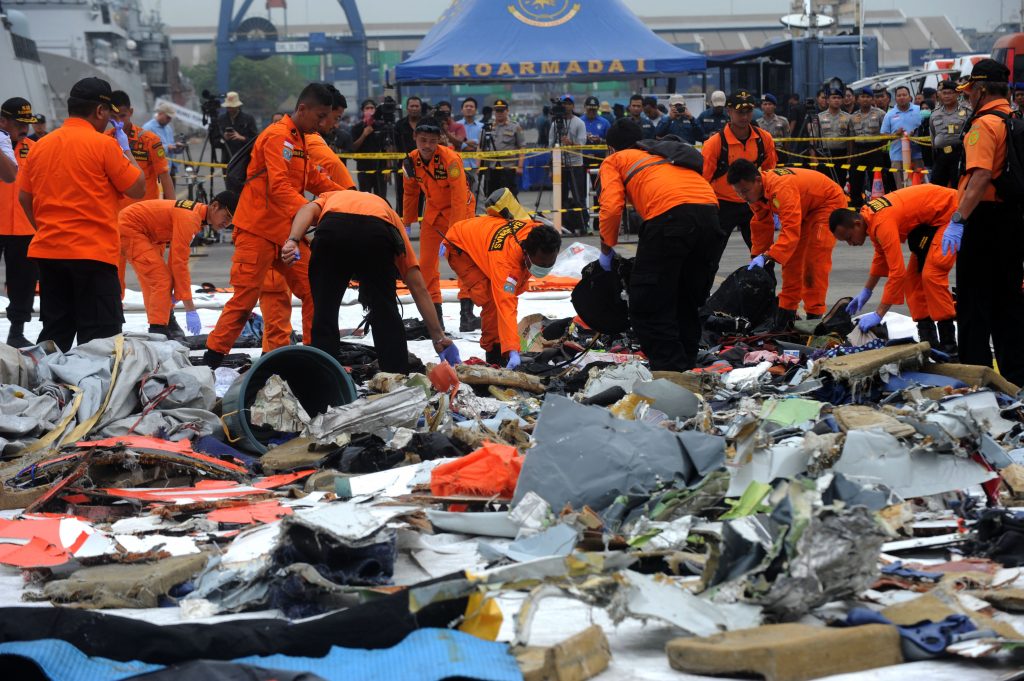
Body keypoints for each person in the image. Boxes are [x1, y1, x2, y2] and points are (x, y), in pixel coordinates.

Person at [202, 83, 348, 368]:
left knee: (315, 291)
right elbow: (279, 187)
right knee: (244, 301)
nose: (322, 123)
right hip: (257, 232)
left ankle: (317, 356)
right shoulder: (277, 136)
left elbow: (312, 179)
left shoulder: (300, 139)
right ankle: (211, 360)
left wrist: (349, 197)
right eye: (319, 116)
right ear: (302, 109)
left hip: (286, 234)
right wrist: (315, 213)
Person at [17, 77, 145, 351]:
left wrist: (45, 229)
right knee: (101, 341)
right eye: (108, 114)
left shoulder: (41, 146)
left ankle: (47, 379)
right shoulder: (104, 145)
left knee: (55, 335)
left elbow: (24, 197)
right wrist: (125, 149)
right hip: (93, 255)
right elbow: (138, 187)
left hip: (50, 253)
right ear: (100, 110)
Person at [283, 189, 458, 371]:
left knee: (324, 310)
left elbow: (306, 210)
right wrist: (438, 337)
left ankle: (324, 375)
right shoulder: (389, 215)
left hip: (332, 230)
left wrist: (293, 240)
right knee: (384, 309)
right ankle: (395, 373)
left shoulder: (332, 197)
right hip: (376, 232)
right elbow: (418, 286)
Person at [597, 119, 719, 371]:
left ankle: (669, 370)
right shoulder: (663, 152)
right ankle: (687, 364)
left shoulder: (615, 160)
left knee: (647, 302)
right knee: (686, 297)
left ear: (611, 147)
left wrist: (606, 249)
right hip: (710, 216)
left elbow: (611, 208)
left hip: (670, 218)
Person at [941, 59, 1024, 386]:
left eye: (970, 91)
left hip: (983, 220)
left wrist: (958, 218)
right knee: (1009, 301)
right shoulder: (1014, 118)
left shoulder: (984, 124)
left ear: (982, 90)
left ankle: (974, 377)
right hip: (1012, 219)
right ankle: (1015, 379)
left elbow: (980, 176)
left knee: (973, 303)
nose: (967, 96)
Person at [830, 184, 958, 354]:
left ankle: (949, 346)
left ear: (857, 224)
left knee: (931, 275)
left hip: (951, 214)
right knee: (912, 282)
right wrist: (867, 290)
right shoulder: (869, 216)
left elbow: (897, 273)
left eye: (849, 237)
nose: (850, 243)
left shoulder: (882, 222)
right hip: (932, 223)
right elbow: (881, 256)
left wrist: (879, 314)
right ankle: (930, 343)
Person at [445, 190, 561, 368]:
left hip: (482, 234)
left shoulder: (537, 233)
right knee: (490, 299)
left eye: (550, 263)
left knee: (498, 298)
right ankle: (493, 352)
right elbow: (506, 304)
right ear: (526, 253)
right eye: (541, 263)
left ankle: (501, 347)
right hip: (460, 245)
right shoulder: (506, 264)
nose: (545, 267)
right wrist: (512, 349)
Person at [727, 161, 846, 330]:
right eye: (738, 193)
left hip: (827, 204)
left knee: (814, 261)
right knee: (791, 263)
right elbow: (761, 224)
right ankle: (786, 312)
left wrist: (768, 256)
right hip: (803, 208)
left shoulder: (781, 188)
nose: (743, 197)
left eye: (745, 191)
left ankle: (814, 316)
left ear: (758, 180)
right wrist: (758, 256)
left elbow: (790, 231)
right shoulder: (756, 194)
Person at [118, 192, 238, 339]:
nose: (227, 223)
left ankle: (164, 321)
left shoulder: (196, 215)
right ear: (214, 206)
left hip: (146, 231)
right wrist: (190, 308)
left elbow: (176, 262)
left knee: (156, 280)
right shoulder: (190, 218)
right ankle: (158, 330)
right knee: (161, 279)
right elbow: (179, 262)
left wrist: (176, 294)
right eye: (226, 216)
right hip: (131, 227)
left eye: (231, 220)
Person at [402, 118, 478, 332]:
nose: (427, 145)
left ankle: (466, 315)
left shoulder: (450, 160)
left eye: (432, 141)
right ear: (415, 138)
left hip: (460, 211)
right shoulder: (410, 161)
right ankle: (435, 318)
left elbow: (459, 196)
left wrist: (454, 234)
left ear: (440, 140)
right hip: (433, 214)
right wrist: (407, 222)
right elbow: (410, 192)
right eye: (423, 140)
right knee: (426, 265)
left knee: (463, 261)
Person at [700, 89, 777, 259]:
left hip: (754, 204)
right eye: (740, 112)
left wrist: (768, 203)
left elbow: (770, 174)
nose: (745, 116)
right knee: (709, 257)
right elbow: (703, 180)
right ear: (729, 111)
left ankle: (764, 277)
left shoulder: (764, 139)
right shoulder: (714, 144)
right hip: (722, 205)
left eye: (748, 111)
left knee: (764, 255)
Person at [0, 97, 39, 347]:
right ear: (3, 121)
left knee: (23, 283)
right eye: (19, 124)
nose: (24, 129)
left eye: (27, 124)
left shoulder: (34, 149)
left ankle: (17, 331)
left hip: (25, 226)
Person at [106, 90, 173, 206]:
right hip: (116, 211)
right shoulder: (104, 139)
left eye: (122, 116)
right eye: (113, 117)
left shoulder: (150, 140)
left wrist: (173, 209)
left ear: (130, 112)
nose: (118, 122)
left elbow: (164, 175)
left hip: (145, 210)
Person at [547, 95, 589, 235]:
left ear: (573, 106)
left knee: (579, 196)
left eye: (568, 103)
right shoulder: (555, 124)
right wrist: (552, 166)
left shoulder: (579, 123)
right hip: (560, 164)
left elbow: (582, 144)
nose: (565, 106)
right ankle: (563, 225)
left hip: (576, 165)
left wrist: (570, 143)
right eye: (563, 104)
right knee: (561, 196)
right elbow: (550, 144)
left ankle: (583, 225)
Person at [849, 87, 890, 206]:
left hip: (875, 150)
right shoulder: (853, 117)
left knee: (877, 179)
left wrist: (879, 148)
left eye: (868, 97)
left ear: (872, 99)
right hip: (858, 150)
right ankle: (856, 206)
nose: (865, 99)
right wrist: (850, 156)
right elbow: (851, 138)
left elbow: (885, 134)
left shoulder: (880, 114)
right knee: (855, 180)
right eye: (862, 97)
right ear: (858, 100)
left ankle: (879, 205)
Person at [929, 81, 972, 188]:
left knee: (957, 186)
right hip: (941, 156)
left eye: (950, 93)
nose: (947, 96)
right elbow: (933, 135)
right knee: (936, 186)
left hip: (959, 154)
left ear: (957, 94)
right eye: (944, 93)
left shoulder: (967, 112)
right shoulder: (935, 114)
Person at [880, 86, 923, 188]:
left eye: (904, 95)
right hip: (897, 156)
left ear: (910, 97)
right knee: (901, 187)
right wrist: (896, 135)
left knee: (918, 186)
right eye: (899, 95)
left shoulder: (918, 110)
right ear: (895, 98)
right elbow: (883, 135)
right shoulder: (890, 114)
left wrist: (916, 135)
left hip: (917, 155)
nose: (902, 97)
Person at [483, 98, 525, 197]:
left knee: (510, 196)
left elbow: (522, 147)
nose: (499, 113)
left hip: (508, 167)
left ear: (507, 111)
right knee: (492, 196)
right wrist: (479, 166)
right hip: (492, 167)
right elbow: (481, 147)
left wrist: (520, 166)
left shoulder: (515, 127)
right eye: (497, 110)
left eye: (502, 110)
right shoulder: (488, 127)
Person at [812, 88, 853, 188]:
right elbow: (813, 139)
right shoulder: (819, 117)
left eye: (839, 98)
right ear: (828, 100)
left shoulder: (848, 117)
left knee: (840, 183)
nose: (836, 100)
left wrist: (849, 157)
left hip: (841, 155)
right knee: (824, 184)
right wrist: (813, 157)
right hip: (824, 154)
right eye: (834, 98)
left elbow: (850, 140)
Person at [350, 99, 390, 200]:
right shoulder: (356, 128)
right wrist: (364, 135)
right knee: (365, 200)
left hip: (380, 169)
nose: (370, 110)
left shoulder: (382, 126)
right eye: (367, 108)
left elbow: (387, 148)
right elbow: (353, 148)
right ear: (363, 111)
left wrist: (388, 168)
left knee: (381, 199)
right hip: (364, 169)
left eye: (372, 108)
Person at [143, 101, 181, 182]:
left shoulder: (168, 128)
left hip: (170, 169)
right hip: (155, 172)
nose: (169, 120)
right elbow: (145, 150)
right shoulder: (148, 128)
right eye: (168, 117)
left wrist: (176, 147)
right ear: (160, 113)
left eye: (170, 118)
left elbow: (170, 145)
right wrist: (167, 147)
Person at [216, 92, 258, 161]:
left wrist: (242, 138)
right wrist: (224, 139)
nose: (230, 109)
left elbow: (256, 140)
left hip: (243, 158)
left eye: (232, 106)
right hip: (227, 159)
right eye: (228, 106)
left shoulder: (248, 119)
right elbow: (215, 143)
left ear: (238, 106)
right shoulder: (221, 119)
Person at [459, 97, 484, 192]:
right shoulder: (456, 126)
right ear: (462, 110)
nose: (469, 108)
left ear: (476, 110)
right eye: (466, 106)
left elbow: (482, 146)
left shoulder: (482, 127)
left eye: (471, 106)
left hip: (476, 166)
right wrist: (471, 145)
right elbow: (456, 144)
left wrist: (464, 144)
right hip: (460, 165)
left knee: (478, 194)